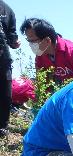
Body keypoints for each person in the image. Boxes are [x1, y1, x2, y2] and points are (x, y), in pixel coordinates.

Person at [20, 18, 73, 84]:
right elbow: (43, 86)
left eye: (33, 41)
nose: (30, 45)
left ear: (47, 41)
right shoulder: (40, 57)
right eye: (28, 40)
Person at [0, 0, 20, 138]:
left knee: (5, 94)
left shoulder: (7, 10)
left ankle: (2, 127)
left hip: (3, 58)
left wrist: (15, 43)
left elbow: (11, 36)